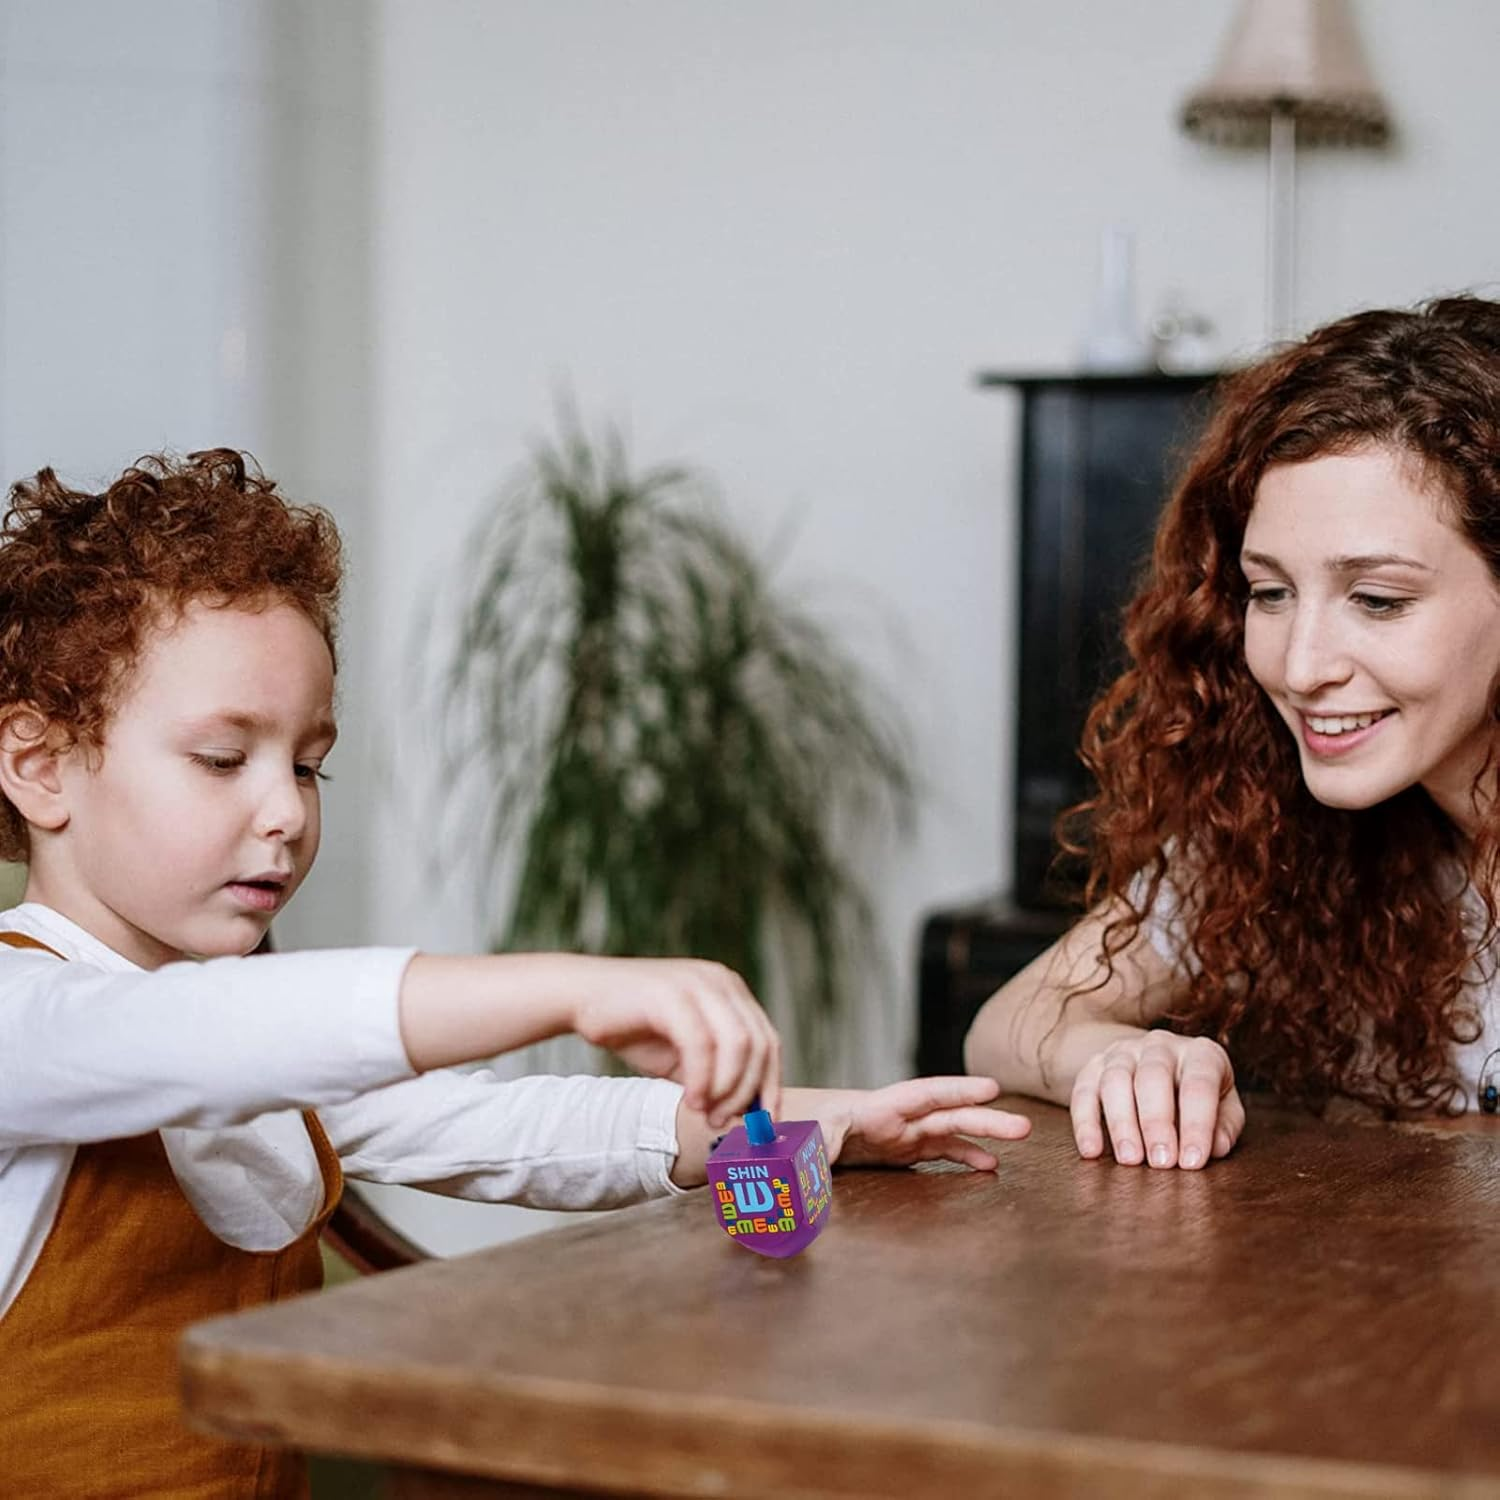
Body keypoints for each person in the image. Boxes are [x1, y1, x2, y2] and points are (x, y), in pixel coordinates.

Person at [0, 449, 1031, 1498]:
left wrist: (825, 1121)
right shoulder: (21, 1017)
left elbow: (514, 1129)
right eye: (225, 760)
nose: (288, 811)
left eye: (309, 764)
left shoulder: (269, 1064)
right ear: (39, 767)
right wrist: (581, 984)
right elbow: (215, 1034)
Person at [964, 295, 1500, 1173]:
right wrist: (1117, 1056)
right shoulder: (1280, 831)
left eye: (1378, 600)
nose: (1300, 665)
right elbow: (1008, 1026)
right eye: (1271, 592)